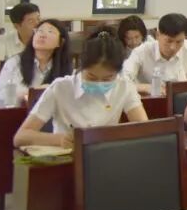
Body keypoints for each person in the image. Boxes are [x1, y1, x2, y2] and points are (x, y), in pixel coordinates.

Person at [14, 31, 147, 148]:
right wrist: (59, 139)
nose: (99, 83)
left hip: (105, 156)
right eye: (91, 77)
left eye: (107, 79)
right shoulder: (60, 87)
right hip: (67, 159)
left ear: (118, 73)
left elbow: (146, 131)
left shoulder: (124, 87)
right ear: (80, 67)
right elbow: (20, 137)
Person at [122, 12, 187, 92]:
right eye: (168, 41)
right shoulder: (141, 52)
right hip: (150, 102)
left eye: (179, 42)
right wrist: (144, 87)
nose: (173, 47)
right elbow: (121, 81)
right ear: (157, 35)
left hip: (181, 100)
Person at [0, 19, 72, 106]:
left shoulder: (65, 67)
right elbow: (1, 99)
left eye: (50, 32)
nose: (42, 35)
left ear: (61, 42)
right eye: (39, 31)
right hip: (20, 112)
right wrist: (35, 92)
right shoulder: (14, 63)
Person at [0, 2, 42, 76]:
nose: (37, 24)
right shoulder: (3, 40)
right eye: (31, 21)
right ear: (17, 26)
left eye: (38, 19)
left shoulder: (45, 40)